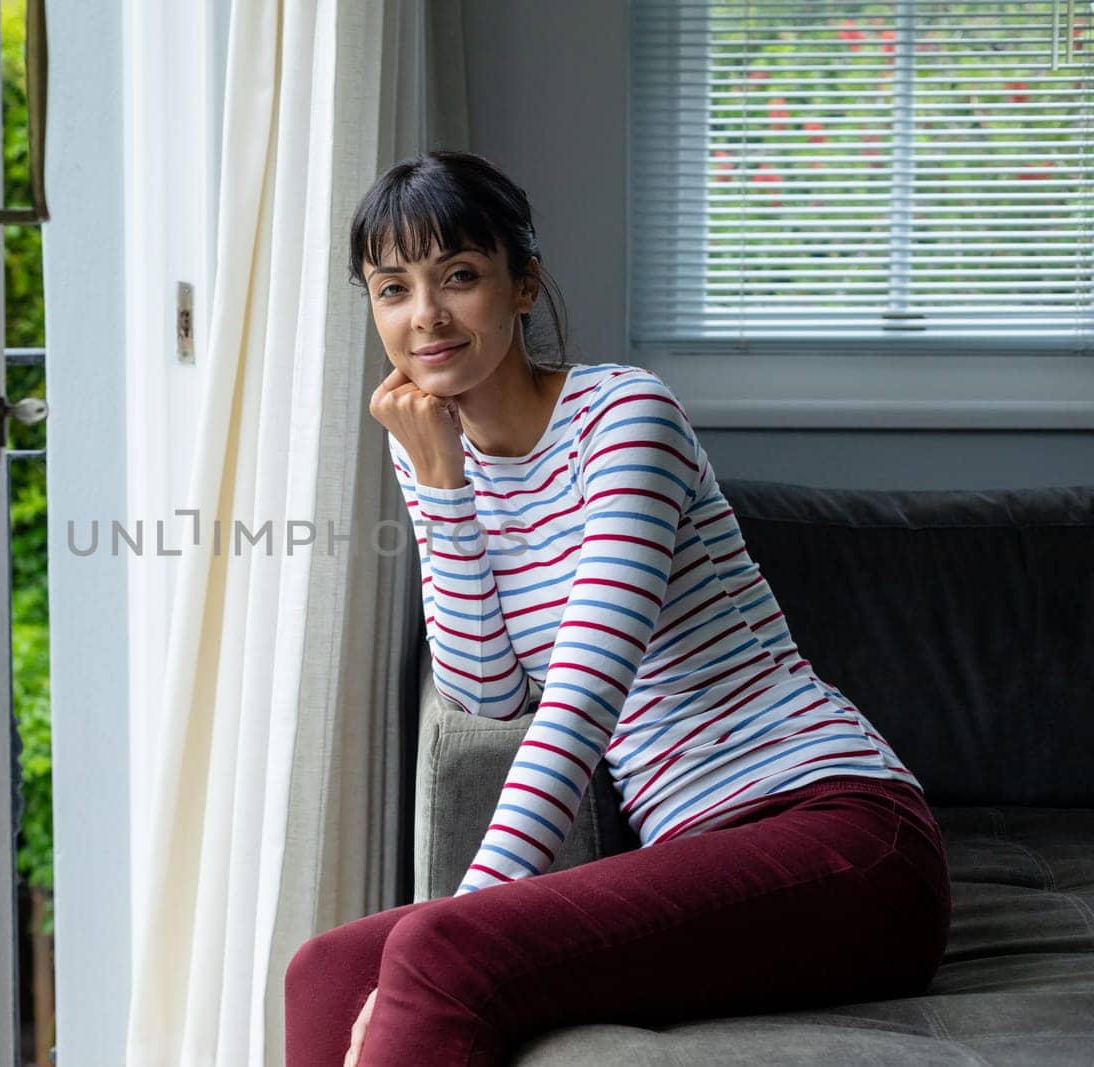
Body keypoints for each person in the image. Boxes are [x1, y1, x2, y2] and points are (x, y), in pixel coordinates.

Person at [283, 151, 950, 1065]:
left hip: (844, 835)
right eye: (392, 288)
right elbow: (489, 695)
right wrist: (442, 485)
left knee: (436, 948)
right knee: (323, 969)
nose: (425, 315)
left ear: (523, 287)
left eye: (460, 276)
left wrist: (450, 917)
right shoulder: (431, 448)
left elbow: (581, 703)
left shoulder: (624, 417)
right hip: (701, 851)